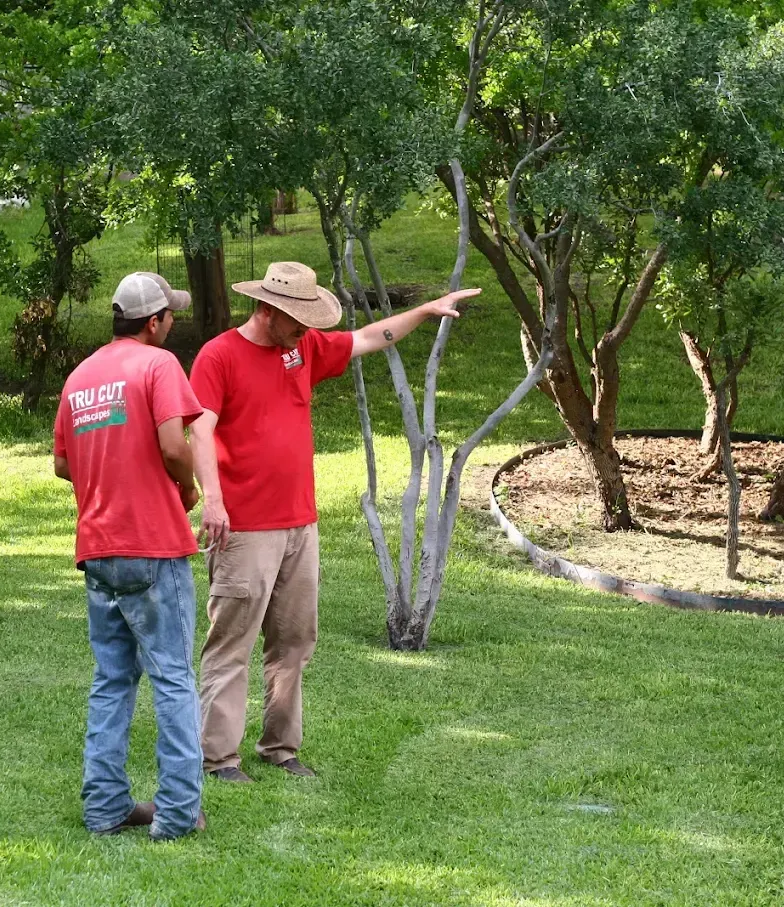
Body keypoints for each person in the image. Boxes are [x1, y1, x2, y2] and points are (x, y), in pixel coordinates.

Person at [189, 261, 478, 782]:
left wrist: (427, 310)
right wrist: (213, 500)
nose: (305, 328)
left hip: (301, 525)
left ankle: (279, 747)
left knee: (295, 643)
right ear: (268, 309)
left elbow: (369, 338)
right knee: (232, 642)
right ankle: (217, 758)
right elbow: (200, 430)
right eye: (296, 319)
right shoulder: (219, 356)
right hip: (245, 528)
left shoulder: (303, 348)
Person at [54, 271, 207, 839]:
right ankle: (177, 815)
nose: (173, 324)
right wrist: (188, 491)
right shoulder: (158, 366)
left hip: (97, 551)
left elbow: (63, 464)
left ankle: (104, 809)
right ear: (154, 320)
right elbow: (174, 443)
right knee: (172, 677)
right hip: (152, 547)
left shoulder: (80, 377)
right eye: (171, 316)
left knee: (113, 678)